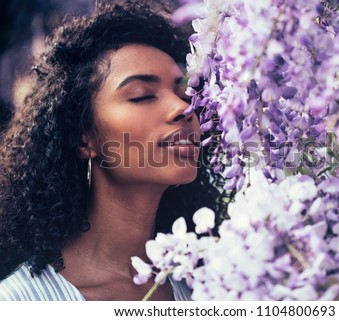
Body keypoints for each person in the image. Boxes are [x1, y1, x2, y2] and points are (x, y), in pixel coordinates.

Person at [0, 0, 229, 301]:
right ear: (85, 139)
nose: (184, 108)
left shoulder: (211, 284)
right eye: (142, 96)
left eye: (182, 91)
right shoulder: (20, 302)